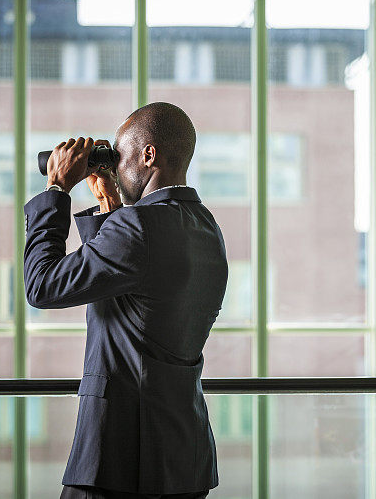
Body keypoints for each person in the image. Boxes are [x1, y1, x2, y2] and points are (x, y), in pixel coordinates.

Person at [23, 102, 229, 499]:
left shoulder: (139, 229)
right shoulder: (206, 227)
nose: (114, 165)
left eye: (119, 154)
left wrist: (56, 190)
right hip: (184, 460)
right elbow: (132, 287)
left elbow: (43, 286)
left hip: (120, 460)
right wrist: (108, 206)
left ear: (148, 155)